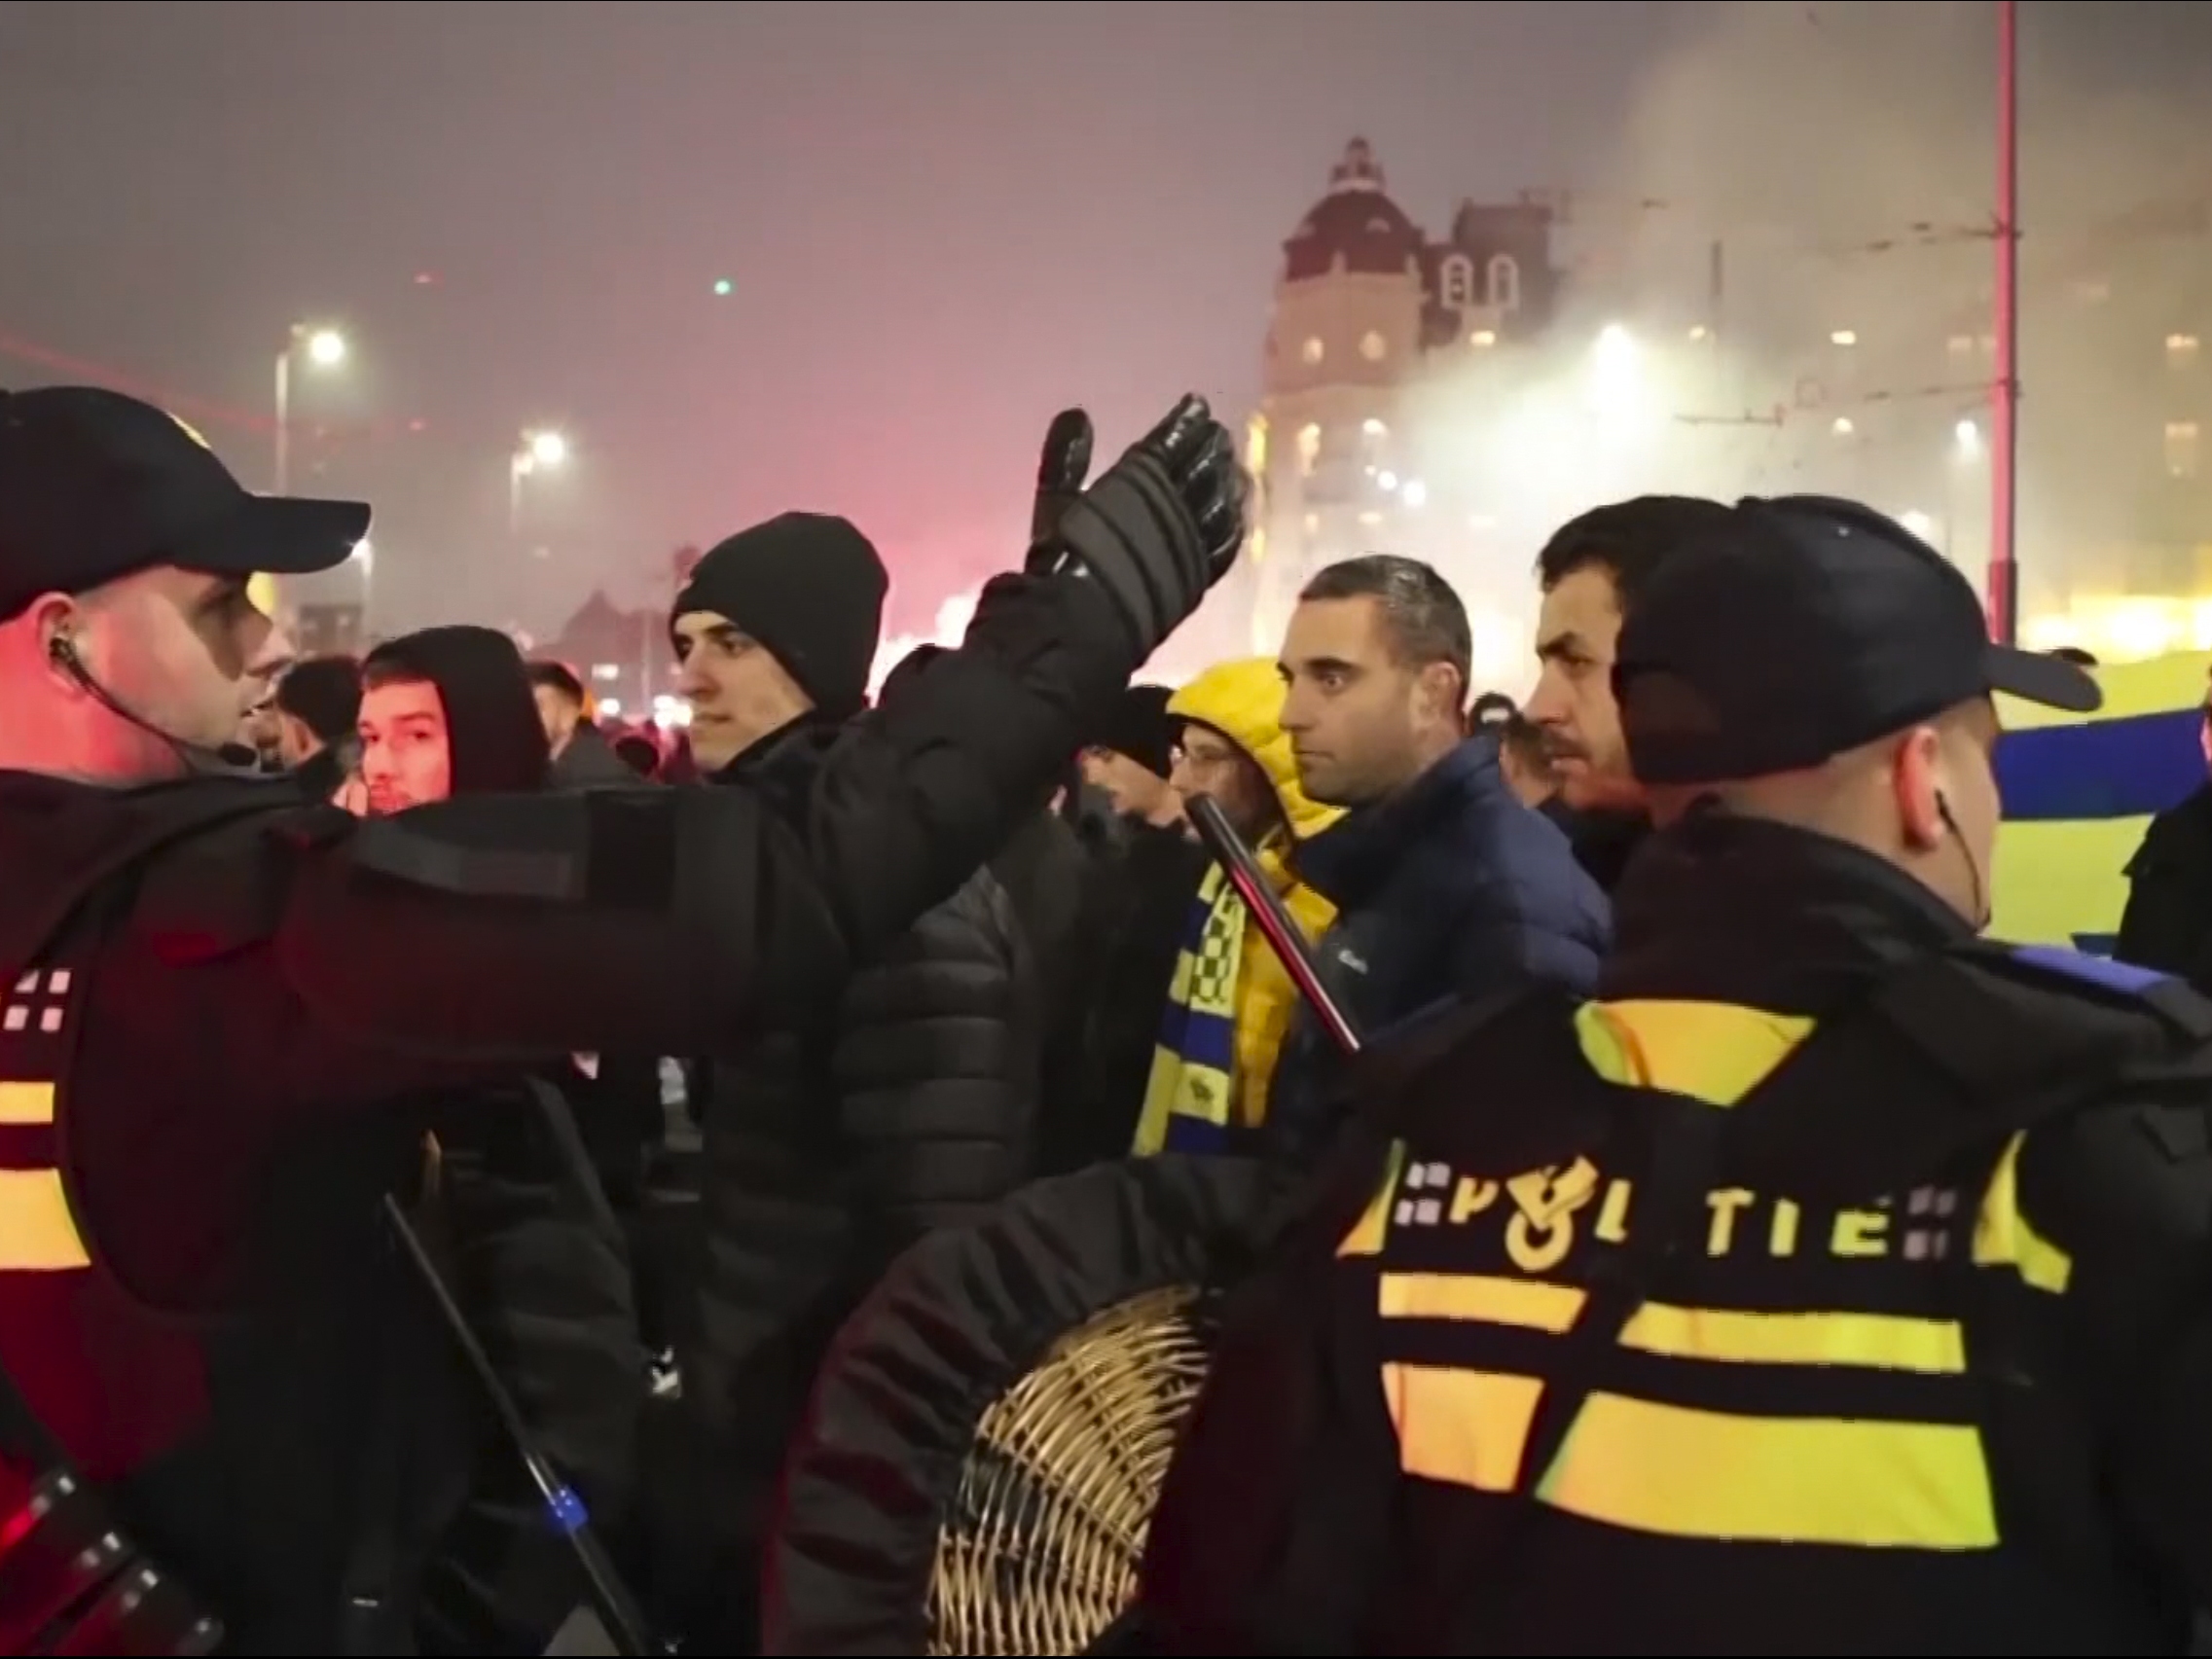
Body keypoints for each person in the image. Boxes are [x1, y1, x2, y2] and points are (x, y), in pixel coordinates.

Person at [0, 383, 1244, 1650]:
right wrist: (1072, 623)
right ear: (63, 642)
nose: (266, 646)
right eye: (220, 605)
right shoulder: (236, 924)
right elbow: (773, 882)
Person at [1126, 497, 2212, 1655]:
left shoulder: (1419, 1132)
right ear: (1922, 780)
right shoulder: (2087, 1129)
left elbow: (1225, 1598)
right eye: (1987, 761)